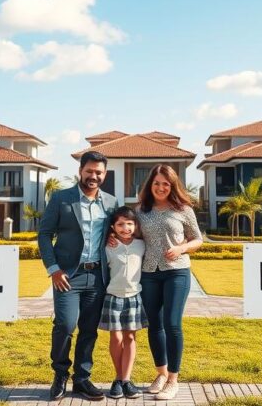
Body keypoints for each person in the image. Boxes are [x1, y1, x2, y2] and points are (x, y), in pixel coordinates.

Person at [37, 151, 118, 401]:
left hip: (97, 278)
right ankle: (60, 374)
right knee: (65, 324)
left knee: (89, 329)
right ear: (80, 171)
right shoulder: (62, 198)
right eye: (90, 171)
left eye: (99, 172)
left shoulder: (111, 202)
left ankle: (82, 379)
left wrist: (115, 238)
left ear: (104, 175)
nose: (93, 176)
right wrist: (54, 269)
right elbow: (44, 235)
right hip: (67, 277)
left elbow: (119, 230)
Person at [134, 164, 202, 400]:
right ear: (149, 185)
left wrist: (182, 247)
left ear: (172, 186)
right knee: (154, 325)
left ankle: (173, 379)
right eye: (156, 183)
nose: (161, 187)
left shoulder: (183, 209)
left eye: (166, 184)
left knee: (172, 323)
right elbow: (132, 235)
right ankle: (161, 374)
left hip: (177, 272)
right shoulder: (141, 211)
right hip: (149, 273)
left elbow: (198, 239)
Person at [100, 206, 147, 399]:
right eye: (120, 224)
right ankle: (118, 378)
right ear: (113, 226)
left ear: (135, 225)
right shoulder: (107, 246)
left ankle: (126, 380)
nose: (125, 227)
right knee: (116, 338)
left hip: (134, 297)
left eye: (129, 223)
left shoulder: (141, 244)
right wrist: (108, 237)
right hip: (113, 297)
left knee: (130, 338)